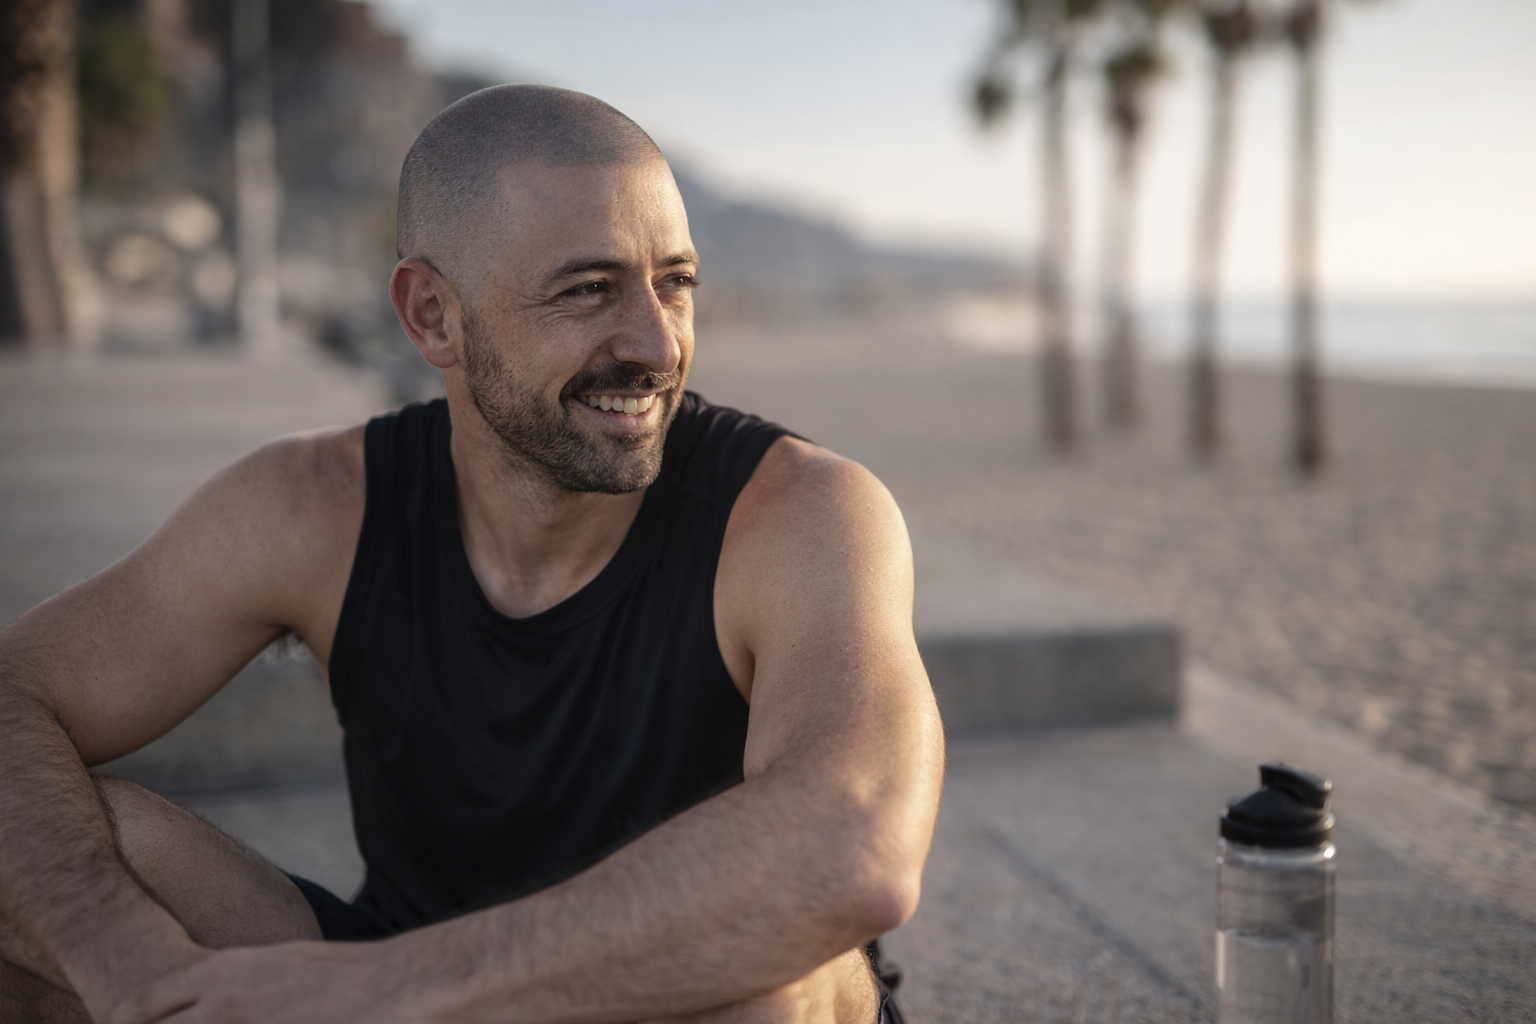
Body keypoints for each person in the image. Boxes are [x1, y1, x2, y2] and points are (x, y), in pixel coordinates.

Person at [0, 85, 944, 1024]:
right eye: (588, 289)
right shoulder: (312, 506)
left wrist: (381, 991)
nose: (658, 342)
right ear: (432, 316)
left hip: (617, 996)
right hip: (398, 986)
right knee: (78, 857)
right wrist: (124, 971)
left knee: (774, 983)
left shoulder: (799, 513)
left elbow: (853, 846)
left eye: (676, 281)